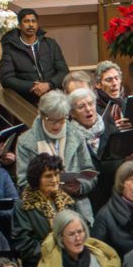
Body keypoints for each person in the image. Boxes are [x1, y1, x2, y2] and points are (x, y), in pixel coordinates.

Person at [15, 91, 97, 220]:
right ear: (42, 115)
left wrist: (80, 186)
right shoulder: (25, 142)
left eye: (61, 120)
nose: (57, 125)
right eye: (51, 120)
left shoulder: (77, 136)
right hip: (42, 208)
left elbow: (90, 173)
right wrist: (50, 187)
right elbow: (23, 182)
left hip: (77, 207)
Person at [14, 153, 77, 267]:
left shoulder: (66, 200)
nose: (54, 180)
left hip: (70, 265)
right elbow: (24, 246)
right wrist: (56, 251)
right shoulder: (24, 206)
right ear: (37, 179)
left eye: (56, 174)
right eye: (48, 176)